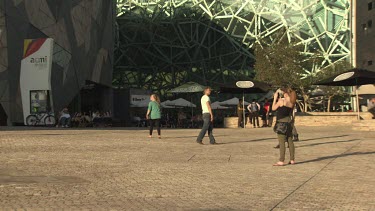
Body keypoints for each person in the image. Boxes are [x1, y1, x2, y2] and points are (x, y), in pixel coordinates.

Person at [272, 88, 297, 166]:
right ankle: (292, 159)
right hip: (289, 123)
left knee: (281, 142)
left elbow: (273, 108)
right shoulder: (292, 102)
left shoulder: (281, 101)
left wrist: (275, 98)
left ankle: (281, 160)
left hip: (281, 123)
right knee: (290, 141)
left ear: (285, 93)